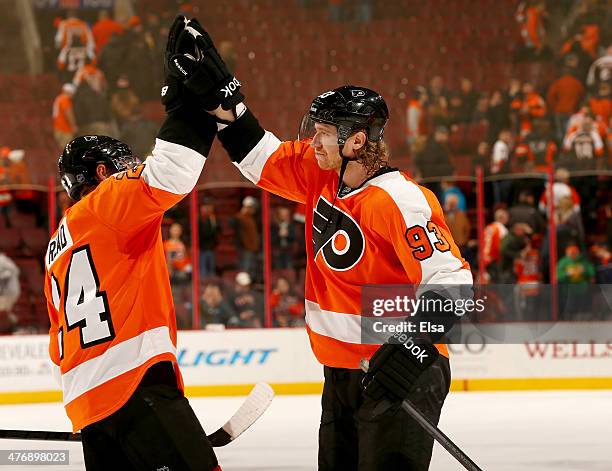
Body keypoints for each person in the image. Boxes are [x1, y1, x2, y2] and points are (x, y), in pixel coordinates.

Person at [166, 17, 472, 469]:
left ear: (357, 140)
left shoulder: (401, 200)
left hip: (401, 374)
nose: (314, 140)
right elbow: (260, 157)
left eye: (325, 132)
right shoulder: (320, 173)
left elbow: (455, 287)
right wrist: (225, 101)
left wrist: (408, 351)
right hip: (344, 373)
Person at [43, 17, 221, 470]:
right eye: (122, 165)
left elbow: (57, 342)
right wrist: (193, 105)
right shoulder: (106, 203)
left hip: (87, 407)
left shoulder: (55, 247)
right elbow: (171, 174)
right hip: (135, 386)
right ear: (102, 174)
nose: (130, 169)